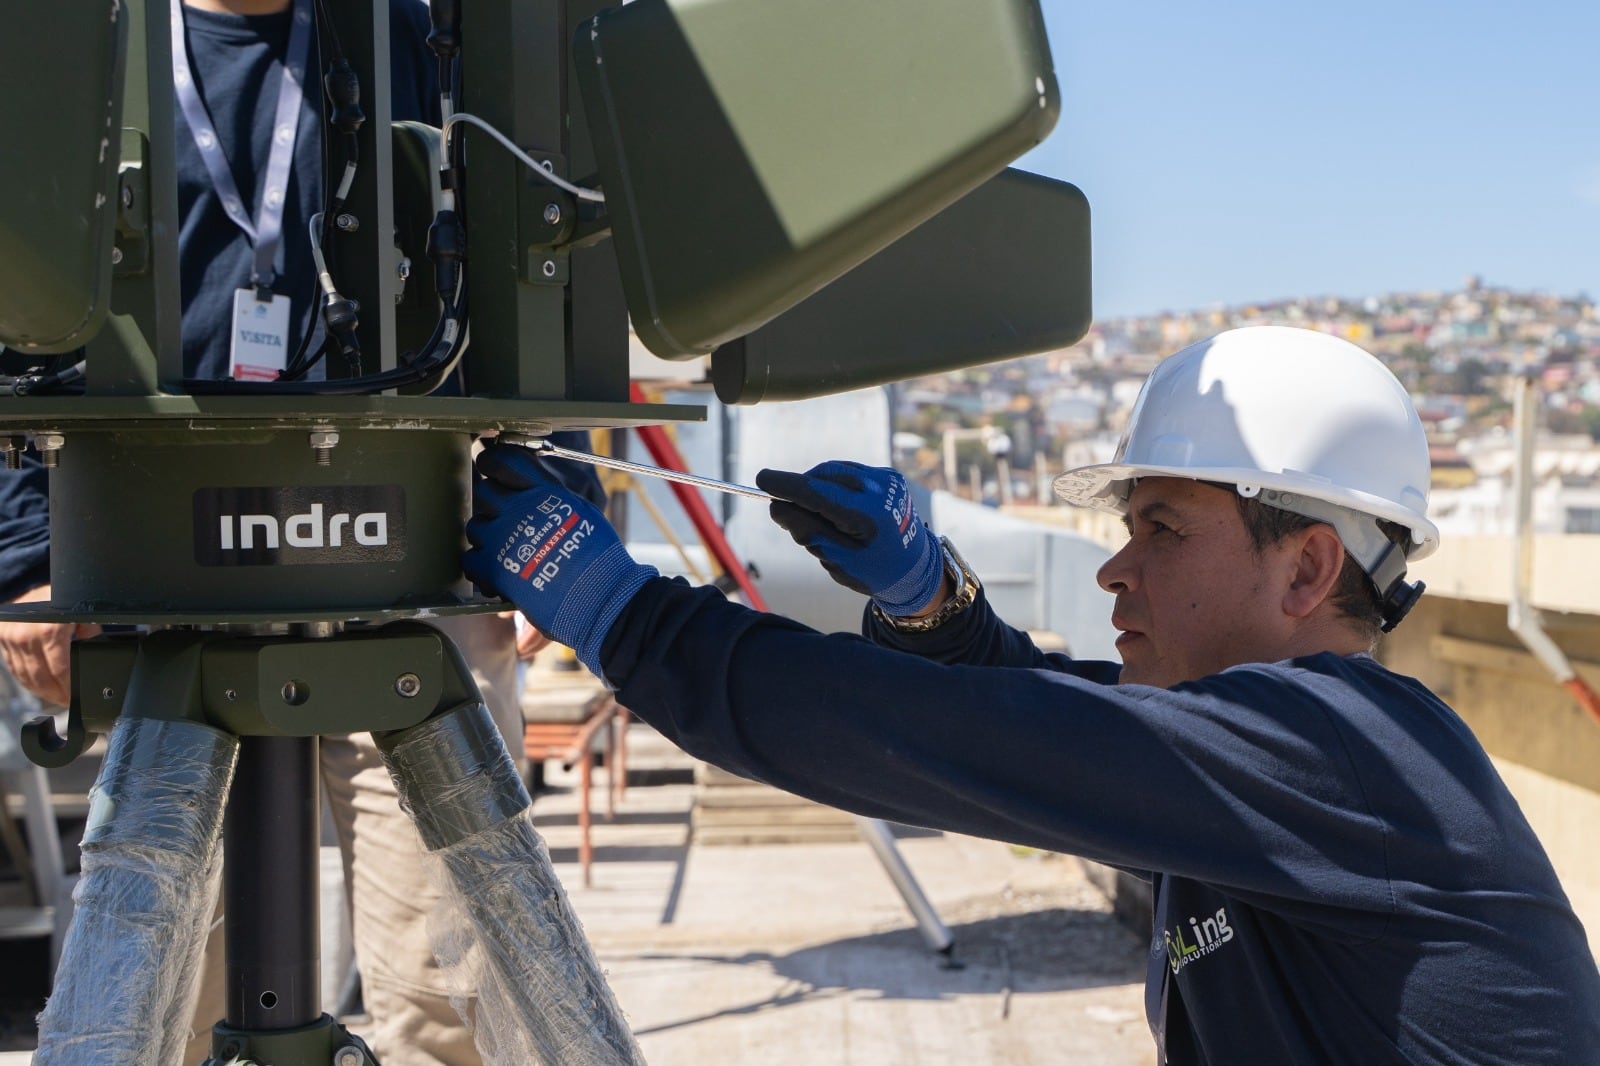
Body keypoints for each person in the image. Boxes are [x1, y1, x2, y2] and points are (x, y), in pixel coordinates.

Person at [463, 325, 1600, 1064]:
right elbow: (1045, 710)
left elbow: (933, 738)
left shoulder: (1345, 748)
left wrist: (623, 611)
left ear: (1305, 567)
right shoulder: (1287, 753)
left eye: (1160, 527)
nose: (1115, 567)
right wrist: (927, 598)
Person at [0, 1, 599, 1062]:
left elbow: (522, 263)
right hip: (157, 571)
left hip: (403, 565)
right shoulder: (89, 45)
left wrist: (545, 531)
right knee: (167, 998)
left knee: (447, 987)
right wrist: (29, 560)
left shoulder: (415, 37)